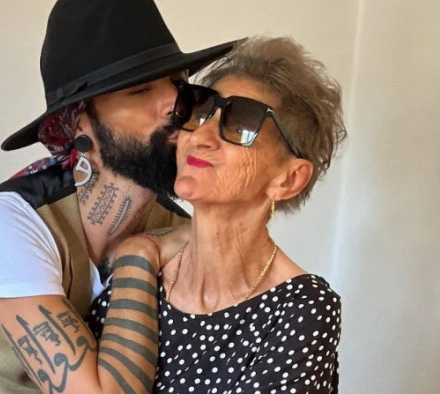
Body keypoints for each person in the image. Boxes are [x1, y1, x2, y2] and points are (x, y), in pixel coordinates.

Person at [0, 0, 234, 393]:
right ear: (79, 122)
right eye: (140, 90)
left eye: (178, 85)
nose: (174, 104)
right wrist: (140, 254)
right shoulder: (9, 224)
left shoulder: (179, 227)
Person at [88, 36, 347, 393]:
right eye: (201, 112)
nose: (201, 136)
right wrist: (136, 256)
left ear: (288, 180)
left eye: (240, 126)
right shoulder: (141, 271)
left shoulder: (303, 309)